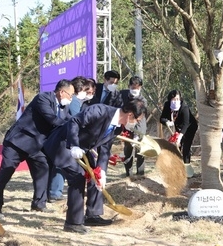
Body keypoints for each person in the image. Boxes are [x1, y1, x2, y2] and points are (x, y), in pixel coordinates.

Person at [43, 100, 147, 234]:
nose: (136, 124)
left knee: (94, 176)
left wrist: (101, 171)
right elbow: (75, 122)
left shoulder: (118, 127)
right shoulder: (99, 110)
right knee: (78, 178)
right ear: (130, 115)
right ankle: (73, 223)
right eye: (137, 120)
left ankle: (92, 214)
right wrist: (74, 145)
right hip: (64, 144)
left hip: (83, 149)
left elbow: (105, 150)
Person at [0, 79, 75, 219]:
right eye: (70, 95)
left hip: (36, 146)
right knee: (6, 172)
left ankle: (39, 204)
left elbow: (71, 120)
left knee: (43, 168)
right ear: (62, 92)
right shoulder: (43, 98)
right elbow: (52, 120)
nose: (71, 99)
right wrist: (70, 127)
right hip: (18, 142)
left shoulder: (64, 107)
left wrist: (80, 125)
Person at [48, 76, 96, 202]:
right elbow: (74, 120)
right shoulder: (74, 101)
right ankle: (55, 192)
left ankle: (57, 191)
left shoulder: (81, 102)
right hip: (66, 137)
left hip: (71, 137)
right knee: (61, 164)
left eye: (91, 92)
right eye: (87, 91)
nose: (88, 94)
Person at [118, 76, 148, 176]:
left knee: (140, 150)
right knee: (128, 150)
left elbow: (141, 118)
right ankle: (128, 174)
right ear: (129, 86)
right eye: (133, 88)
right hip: (126, 125)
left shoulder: (143, 100)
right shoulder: (122, 95)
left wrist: (137, 134)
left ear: (141, 88)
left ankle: (140, 173)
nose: (135, 90)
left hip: (139, 125)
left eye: (137, 88)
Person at [159, 89, 198, 164]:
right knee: (176, 147)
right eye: (174, 99)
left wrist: (180, 136)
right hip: (177, 126)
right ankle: (176, 164)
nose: (175, 101)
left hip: (189, 128)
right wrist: (167, 121)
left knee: (186, 147)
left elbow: (186, 123)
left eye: (177, 99)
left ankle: (186, 165)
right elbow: (162, 118)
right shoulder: (167, 105)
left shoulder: (184, 107)